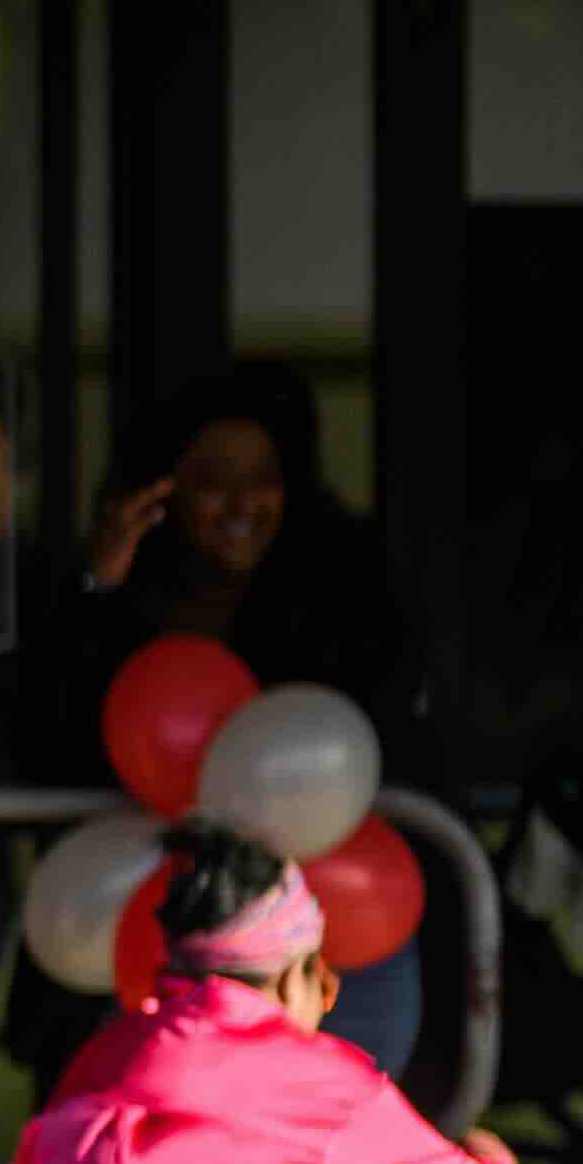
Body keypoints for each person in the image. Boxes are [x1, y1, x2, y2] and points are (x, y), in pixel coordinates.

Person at [48, 362, 435, 1062]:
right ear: (163, 492)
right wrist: (98, 588)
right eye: (211, 479)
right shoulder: (118, 606)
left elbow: (379, 740)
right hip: (160, 934)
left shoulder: (345, 600)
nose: (241, 502)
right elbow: (57, 734)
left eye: (262, 477)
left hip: (337, 935)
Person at [0, 821, 525, 1164]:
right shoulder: (325, 1094)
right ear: (292, 976)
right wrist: (494, 1162)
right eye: (322, 976)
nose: (330, 996)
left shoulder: (103, 1056)